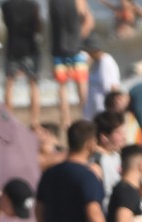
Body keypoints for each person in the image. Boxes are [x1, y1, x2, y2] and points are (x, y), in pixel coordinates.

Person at [49, 0, 95, 132]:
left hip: (58, 49)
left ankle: (66, 120)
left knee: (62, 87)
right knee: (81, 84)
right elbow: (89, 21)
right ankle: (85, 116)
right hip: (76, 48)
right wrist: (79, 38)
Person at [1, 0, 43, 128]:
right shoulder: (33, 5)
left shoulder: (5, 5)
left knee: (9, 83)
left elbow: (6, 24)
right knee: (33, 84)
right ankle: (34, 120)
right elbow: (38, 27)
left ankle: (8, 117)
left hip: (12, 48)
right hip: (30, 48)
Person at [82, 35, 120, 121]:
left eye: (88, 52)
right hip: (94, 113)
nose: (87, 54)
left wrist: (113, 112)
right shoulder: (96, 63)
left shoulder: (106, 62)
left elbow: (113, 88)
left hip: (103, 112)